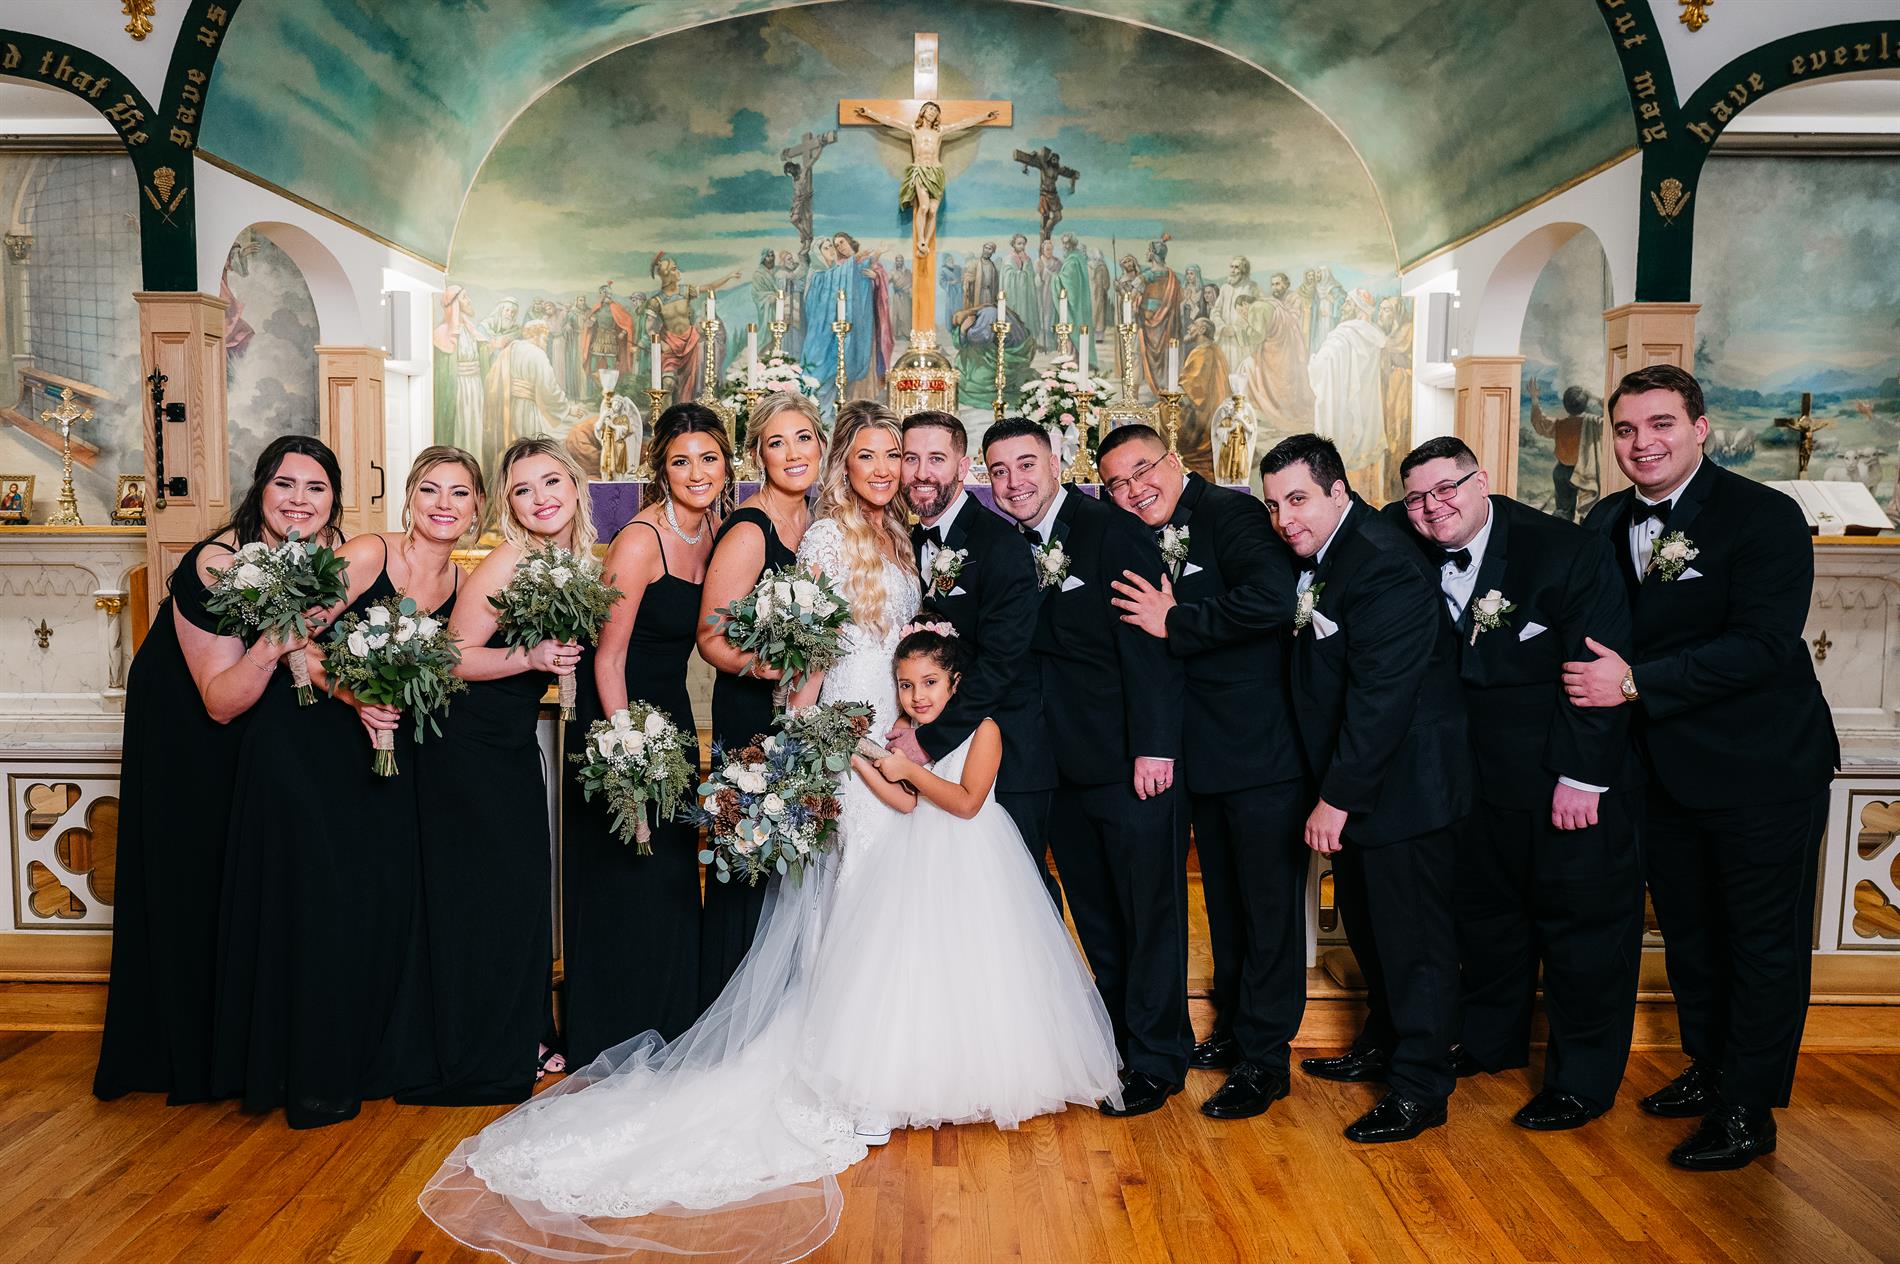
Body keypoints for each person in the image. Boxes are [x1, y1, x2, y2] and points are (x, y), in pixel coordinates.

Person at [419, 437, 1116, 1263]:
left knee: (907, 900)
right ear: (843, 464)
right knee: (854, 896)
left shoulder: (907, 536)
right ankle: (851, 1068)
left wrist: (915, 727)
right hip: (851, 730)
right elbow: (806, 645)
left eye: (894, 455)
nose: (885, 469)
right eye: (867, 455)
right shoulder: (820, 537)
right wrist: (805, 739)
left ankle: (916, 1060)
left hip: (906, 723)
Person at [1565, 364, 1839, 1170]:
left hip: (1762, 767)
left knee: (1760, 941)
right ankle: (1712, 1066)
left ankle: (1748, 1108)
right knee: (1689, 933)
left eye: (1660, 424)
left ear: (1700, 428)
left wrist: (1634, 684)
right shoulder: (1606, 517)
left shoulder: (1763, 515)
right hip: (1661, 771)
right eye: (1626, 429)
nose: (1641, 443)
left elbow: (1762, 645)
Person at [214, 443, 474, 1129]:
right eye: (430, 490)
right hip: (309, 737)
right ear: (409, 499)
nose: (443, 505)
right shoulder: (369, 554)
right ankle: (308, 1072)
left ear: (477, 509)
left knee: (372, 904)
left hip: (379, 753)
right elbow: (293, 633)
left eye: (459, 493)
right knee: (319, 904)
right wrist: (357, 695)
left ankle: (367, 1059)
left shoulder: (462, 584)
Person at [1389, 436, 1643, 1132]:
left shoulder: (1563, 550)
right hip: (1468, 780)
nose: (1433, 507)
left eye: (1447, 489)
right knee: (1487, 920)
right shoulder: (1404, 539)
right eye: (1417, 498)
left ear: (1483, 481)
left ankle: (1581, 1082)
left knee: (1581, 934)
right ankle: (1489, 1042)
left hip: (1558, 777)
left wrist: (1582, 779)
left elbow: (1596, 672)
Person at [94, 436, 343, 1106]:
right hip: (192, 728)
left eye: (316, 487)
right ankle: (197, 1055)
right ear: (260, 490)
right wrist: (276, 645)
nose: (299, 500)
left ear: (334, 500)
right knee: (200, 875)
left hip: (261, 725)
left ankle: (260, 1046)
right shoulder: (218, 563)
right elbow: (221, 700)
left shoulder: (328, 553)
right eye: (285, 484)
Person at [801, 623, 1122, 1127]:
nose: (917, 696)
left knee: (977, 960)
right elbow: (905, 803)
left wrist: (909, 770)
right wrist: (858, 759)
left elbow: (968, 802)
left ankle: (984, 1074)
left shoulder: (984, 729)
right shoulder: (908, 734)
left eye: (930, 682)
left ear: (955, 681)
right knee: (912, 962)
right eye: (906, 685)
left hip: (973, 853)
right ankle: (908, 1076)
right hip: (913, 851)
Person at [1261, 433, 1469, 1144]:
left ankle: (1420, 1090)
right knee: (1376, 933)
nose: (1285, 518)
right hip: (1366, 787)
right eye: (1274, 505)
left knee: (1415, 947)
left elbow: (1383, 698)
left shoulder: (1381, 563)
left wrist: (1337, 798)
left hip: (1403, 789)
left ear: (1338, 492)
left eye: (1298, 499)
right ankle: (1383, 1046)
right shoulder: (1333, 553)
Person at [1100, 425, 1305, 1122]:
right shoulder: (1135, 532)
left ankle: (1266, 1062)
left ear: (1174, 460)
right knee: (1226, 905)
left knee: (1267, 912)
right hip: (1203, 755)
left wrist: (1177, 619)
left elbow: (1273, 601)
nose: (1134, 491)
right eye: (1117, 484)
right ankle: (1239, 1031)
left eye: (1142, 471)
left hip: (1260, 751)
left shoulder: (1231, 513)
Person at [983, 417, 1188, 1118]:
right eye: (1000, 471)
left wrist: (1154, 745)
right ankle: (1119, 1046)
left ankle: (1159, 1060)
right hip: (1058, 764)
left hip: (1129, 760)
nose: (1014, 482)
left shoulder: (1112, 531)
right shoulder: (1008, 544)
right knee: (1097, 916)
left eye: (1026, 464)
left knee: (1149, 914)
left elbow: (1149, 644)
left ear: (1055, 462)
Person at [404, 439, 593, 1106]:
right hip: (465, 744)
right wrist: (530, 658)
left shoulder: (573, 561)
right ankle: (488, 1046)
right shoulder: (511, 560)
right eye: (522, 489)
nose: (541, 498)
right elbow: (448, 657)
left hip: (508, 743)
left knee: (518, 893)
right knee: (490, 897)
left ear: (575, 486)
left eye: (551, 482)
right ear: (508, 506)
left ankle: (524, 1032)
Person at [563, 406, 733, 1066]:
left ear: (727, 465)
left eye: (709, 458)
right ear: (661, 469)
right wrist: (627, 752)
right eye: (681, 461)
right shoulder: (639, 541)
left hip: (672, 716)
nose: (697, 472)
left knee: (668, 874)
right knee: (626, 874)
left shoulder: (716, 527)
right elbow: (606, 658)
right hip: (617, 717)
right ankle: (612, 1033)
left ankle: (671, 1024)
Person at [886, 410, 1055, 906]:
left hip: (1003, 750)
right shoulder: (904, 542)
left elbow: (1001, 663)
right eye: (910, 458)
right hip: (929, 743)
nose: (922, 473)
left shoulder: (1000, 545)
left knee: (1017, 897)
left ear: (963, 468)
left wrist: (928, 742)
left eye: (936, 459)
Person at [695, 391, 822, 1006]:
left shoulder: (818, 523)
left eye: (803, 438)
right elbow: (710, 639)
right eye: (777, 442)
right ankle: (729, 1014)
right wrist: (775, 671)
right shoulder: (750, 530)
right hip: (752, 716)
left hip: (799, 714)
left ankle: (782, 1008)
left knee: (793, 860)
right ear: (757, 456)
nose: (793, 453)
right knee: (748, 859)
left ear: (821, 446)